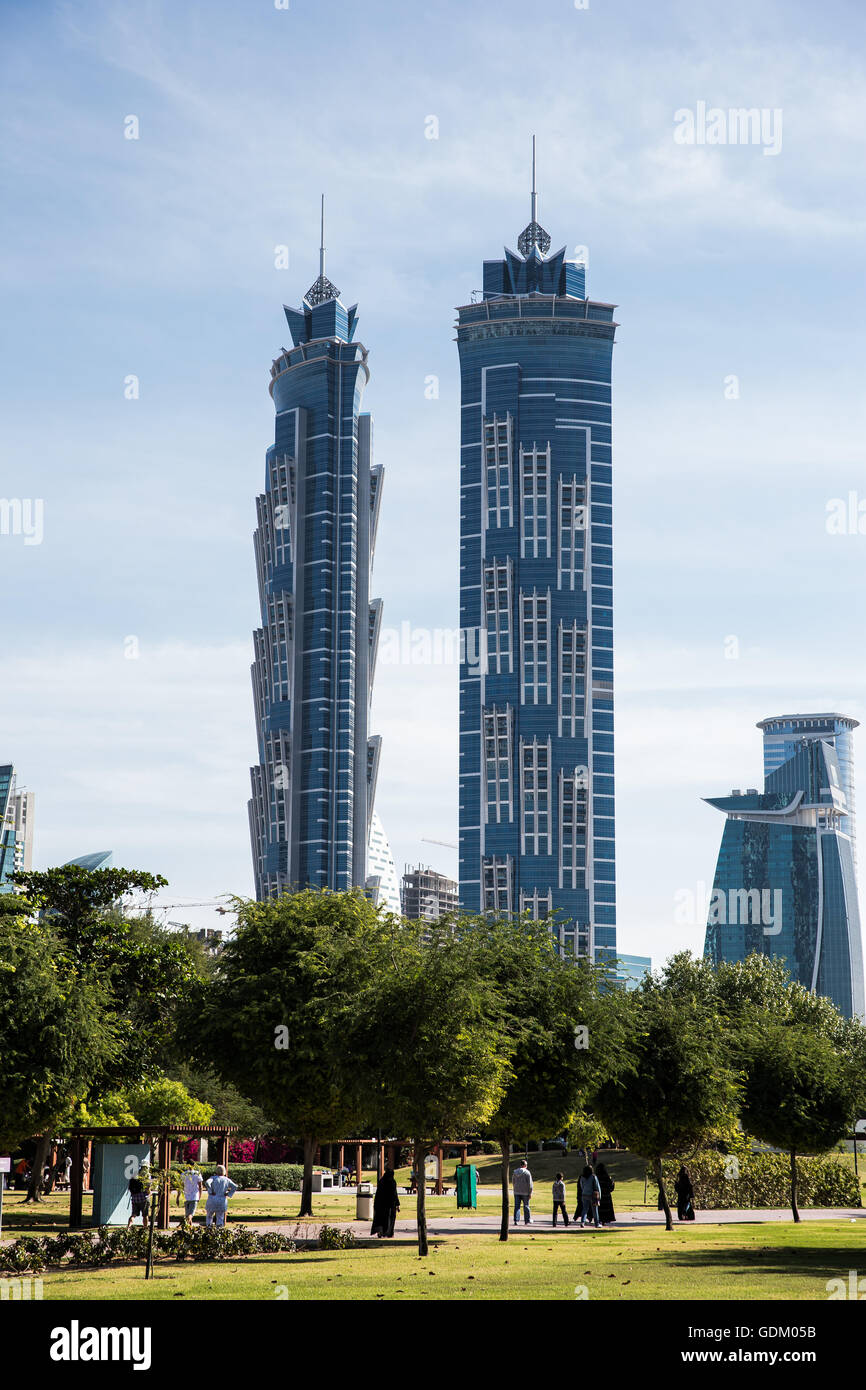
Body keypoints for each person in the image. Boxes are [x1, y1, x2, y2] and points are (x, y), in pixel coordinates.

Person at [371, 1166, 400, 1238]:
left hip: (380, 1204)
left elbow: (378, 1193)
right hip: (390, 1204)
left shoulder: (381, 1181)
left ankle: (381, 1232)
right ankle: (388, 1233)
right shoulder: (392, 1182)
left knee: (380, 1219)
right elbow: (394, 1194)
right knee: (390, 1219)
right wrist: (397, 1204)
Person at [512, 1159, 533, 1225]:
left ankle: (516, 1220)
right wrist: (530, 1193)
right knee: (526, 1206)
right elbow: (530, 1184)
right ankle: (527, 1220)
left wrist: (515, 1187)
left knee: (517, 1206)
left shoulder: (515, 1172)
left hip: (517, 1191)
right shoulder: (527, 1172)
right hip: (525, 1192)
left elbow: (513, 1181)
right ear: (524, 1165)